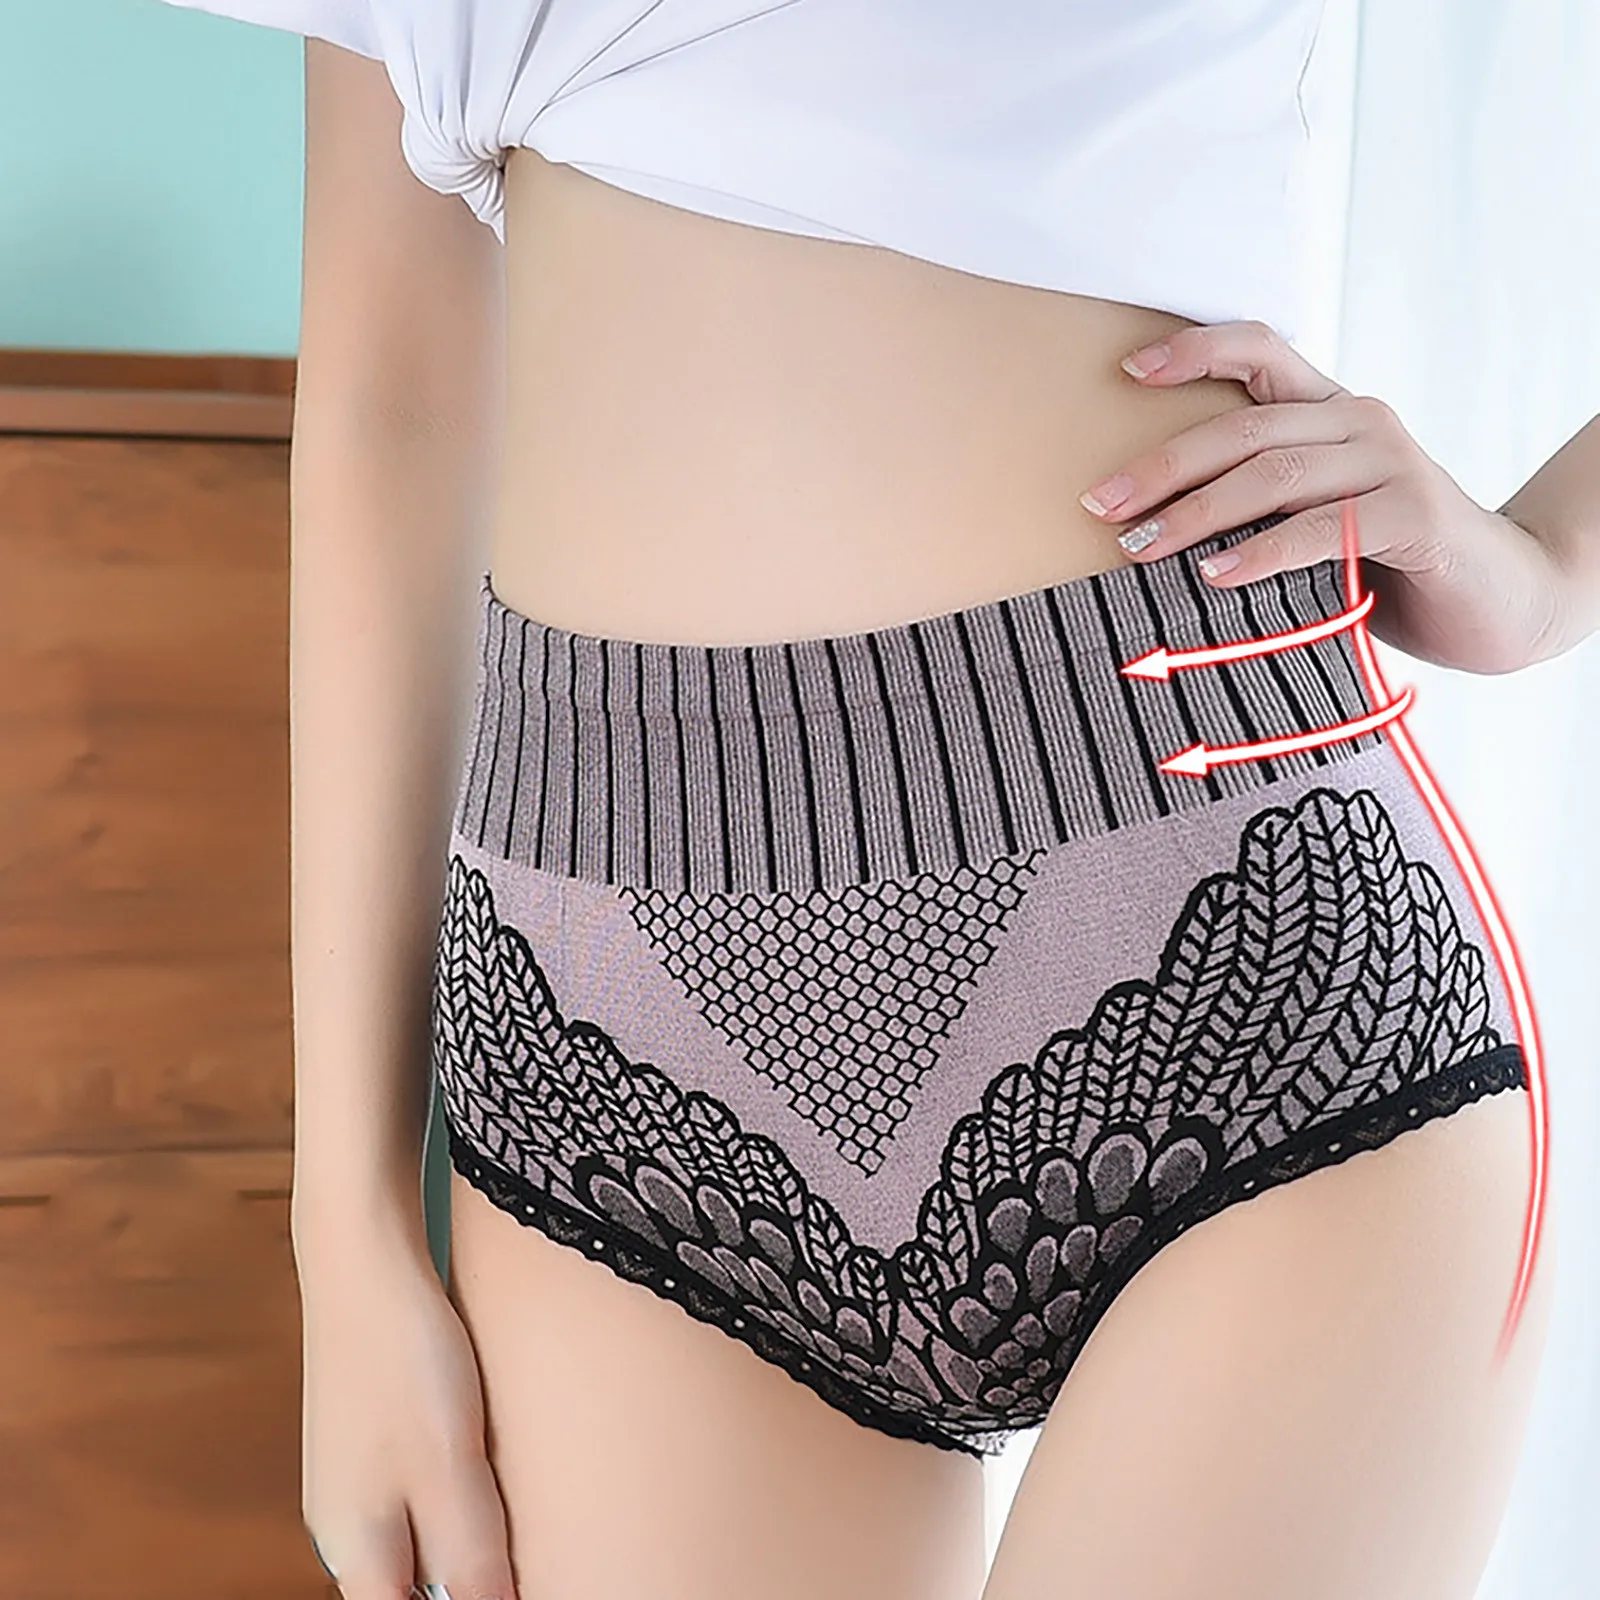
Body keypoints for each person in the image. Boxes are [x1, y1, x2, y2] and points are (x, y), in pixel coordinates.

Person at [157, 4, 1600, 1597]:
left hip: (1236, 948)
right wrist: (347, 1230)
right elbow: (391, 397)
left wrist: (1543, 570)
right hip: (607, 1056)